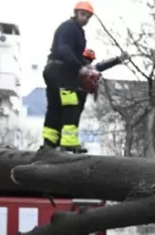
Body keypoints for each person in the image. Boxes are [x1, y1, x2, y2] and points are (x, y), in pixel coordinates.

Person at [41, 2, 98, 153]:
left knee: (55, 106)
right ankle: (69, 141)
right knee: (71, 105)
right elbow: (64, 49)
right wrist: (80, 67)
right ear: (76, 13)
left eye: (88, 16)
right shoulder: (70, 28)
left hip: (52, 70)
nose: (85, 18)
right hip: (62, 71)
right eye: (83, 14)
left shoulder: (71, 28)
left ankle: (50, 141)